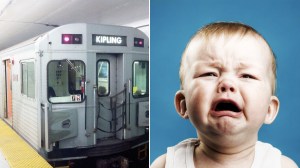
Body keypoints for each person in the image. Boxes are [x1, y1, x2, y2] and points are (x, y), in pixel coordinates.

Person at [151, 22, 298, 168]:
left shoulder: (281, 165)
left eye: (247, 76)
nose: (227, 83)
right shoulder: (166, 164)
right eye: (209, 74)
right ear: (183, 104)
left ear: (269, 109)